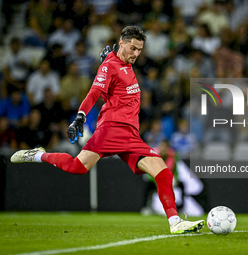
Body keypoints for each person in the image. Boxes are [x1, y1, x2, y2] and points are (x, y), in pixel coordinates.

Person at [11, 26, 204, 234]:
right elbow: (94, 93)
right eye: (133, 48)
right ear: (121, 43)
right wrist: (80, 117)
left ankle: (175, 222)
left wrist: (111, 57)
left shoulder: (121, 62)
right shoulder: (109, 66)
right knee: (78, 167)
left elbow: (117, 75)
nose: (136, 54)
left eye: (140, 50)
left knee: (163, 173)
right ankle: (39, 155)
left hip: (130, 134)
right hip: (111, 129)